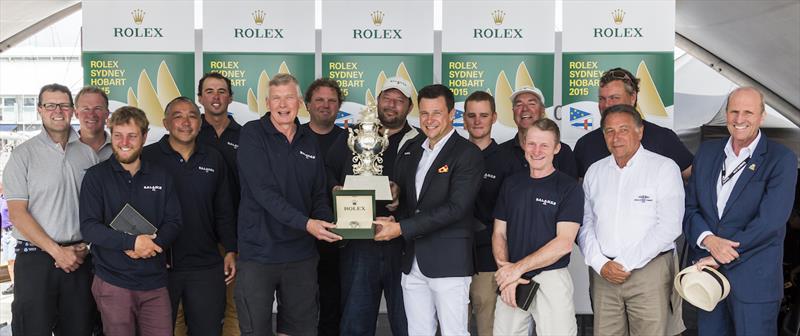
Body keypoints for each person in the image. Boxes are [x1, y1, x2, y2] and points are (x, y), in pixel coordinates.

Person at [685, 87, 797, 335]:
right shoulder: (706, 152)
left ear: (762, 116)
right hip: (709, 280)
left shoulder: (781, 159)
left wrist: (719, 255)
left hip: (754, 282)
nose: (739, 119)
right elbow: (690, 208)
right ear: (726, 114)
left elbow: (771, 221)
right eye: (734, 111)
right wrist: (708, 240)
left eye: (748, 112)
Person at [373, 84, 483, 336]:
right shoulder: (413, 151)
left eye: (436, 113)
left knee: (454, 332)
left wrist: (400, 228)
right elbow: (413, 205)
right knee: (418, 332)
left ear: (452, 114)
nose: (429, 120)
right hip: (412, 262)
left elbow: (456, 208)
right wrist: (394, 213)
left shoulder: (467, 154)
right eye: (424, 113)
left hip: (449, 263)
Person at [235, 73, 339, 336]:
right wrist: (308, 224)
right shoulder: (252, 134)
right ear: (268, 103)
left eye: (289, 97)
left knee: (299, 330)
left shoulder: (309, 141)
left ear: (300, 103)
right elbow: (264, 193)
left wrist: (327, 223)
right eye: (277, 99)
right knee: (255, 330)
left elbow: (317, 193)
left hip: (301, 256)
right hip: (259, 254)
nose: (283, 105)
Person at [577, 104, 685, 335]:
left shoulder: (664, 168)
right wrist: (600, 262)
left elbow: (670, 226)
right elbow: (585, 223)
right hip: (603, 274)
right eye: (609, 131)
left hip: (650, 272)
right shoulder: (594, 172)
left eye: (623, 129)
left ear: (640, 131)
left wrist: (624, 263)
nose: (616, 138)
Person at [2, 83, 98, 335]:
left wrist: (85, 248)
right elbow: (17, 214)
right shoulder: (22, 155)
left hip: (79, 260)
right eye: (50, 105)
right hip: (36, 261)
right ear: (39, 110)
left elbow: (98, 210)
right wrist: (57, 252)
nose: (58, 110)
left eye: (64, 105)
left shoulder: (88, 155)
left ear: (73, 111)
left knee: (80, 329)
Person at [326, 76, 418, 336]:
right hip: (358, 240)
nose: (391, 105)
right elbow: (326, 170)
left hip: (403, 244)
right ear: (377, 102)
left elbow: (428, 189)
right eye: (386, 98)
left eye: (399, 101)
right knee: (356, 320)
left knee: (407, 322)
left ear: (409, 107)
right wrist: (335, 189)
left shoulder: (420, 141)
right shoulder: (354, 135)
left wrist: (403, 194)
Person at [80, 106, 182, 336]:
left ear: (144, 137)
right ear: (111, 136)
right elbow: (89, 227)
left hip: (155, 283)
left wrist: (150, 245)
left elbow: (174, 222)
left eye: (132, 136)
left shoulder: (161, 175)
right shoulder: (96, 177)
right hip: (113, 282)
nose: (124, 142)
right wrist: (131, 243)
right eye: (118, 135)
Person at [142, 97, 237, 335]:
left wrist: (231, 249)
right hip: (160, 265)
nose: (186, 122)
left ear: (200, 122)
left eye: (193, 116)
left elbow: (224, 210)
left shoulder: (213, 158)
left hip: (205, 265)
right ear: (165, 123)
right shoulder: (148, 158)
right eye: (178, 116)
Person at [492, 118, 583, 335]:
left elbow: (564, 243)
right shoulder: (511, 184)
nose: (536, 150)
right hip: (511, 277)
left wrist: (516, 270)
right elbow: (499, 233)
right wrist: (506, 271)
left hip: (550, 277)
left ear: (557, 148)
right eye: (531, 143)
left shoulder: (568, 188)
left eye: (544, 145)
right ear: (524, 144)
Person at [573, 67, 693, 179]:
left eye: (614, 98)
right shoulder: (585, 144)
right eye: (602, 99)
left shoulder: (663, 138)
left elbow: (693, 177)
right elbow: (576, 189)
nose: (607, 104)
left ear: (633, 97)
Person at [461, 90, 514, 335]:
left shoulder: (507, 160)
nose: (477, 121)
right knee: (454, 323)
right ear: (463, 119)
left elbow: (511, 214)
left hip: (487, 257)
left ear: (494, 117)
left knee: (487, 323)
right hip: (452, 254)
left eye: (483, 115)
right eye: (471, 115)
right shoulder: (452, 154)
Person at [195, 72, 242, 335]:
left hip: (235, 234)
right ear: (200, 97)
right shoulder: (189, 133)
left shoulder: (247, 136)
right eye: (210, 91)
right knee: (199, 306)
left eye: (222, 91)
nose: (216, 96)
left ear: (230, 97)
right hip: (197, 235)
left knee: (234, 304)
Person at [303, 78, 347, 336]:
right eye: (319, 99)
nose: (325, 105)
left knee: (333, 301)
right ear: (307, 104)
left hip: (338, 235)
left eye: (332, 100)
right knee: (300, 305)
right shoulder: (293, 137)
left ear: (339, 106)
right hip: (300, 234)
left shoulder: (351, 140)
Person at [499, 87, 578, 178]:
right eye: (519, 105)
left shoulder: (563, 152)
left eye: (531, 104)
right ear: (513, 112)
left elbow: (569, 188)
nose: (525, 109)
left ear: (542, 111)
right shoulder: (500, 152)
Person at [75, 86, 113, 160]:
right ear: (76, 114)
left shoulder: (120, 148)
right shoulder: (65, 150)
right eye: (86, 109)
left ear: (107, 113)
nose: (91, 114)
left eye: (97, 108)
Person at [1, 183, 15, 295]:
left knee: (13, 259)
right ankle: (13, 283)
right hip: (5, 232)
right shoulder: (1, 198)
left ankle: (18, 283)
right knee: (9, 261)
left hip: (13, 231)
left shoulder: (10, 197)